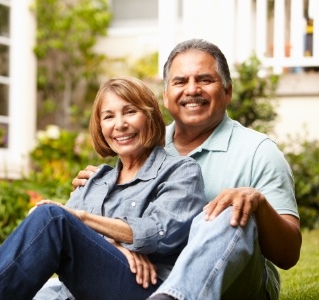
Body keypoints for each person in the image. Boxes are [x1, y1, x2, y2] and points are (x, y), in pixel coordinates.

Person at [73, 39, 302, 300]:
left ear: (228, 91)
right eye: (180, 82)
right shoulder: (141, 144)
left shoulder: (258, 151)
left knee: (228, 208)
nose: (192, 90)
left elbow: (289, 255)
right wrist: (101, 189)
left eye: (205, 80)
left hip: (233, 286)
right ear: (166, 96)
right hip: (147, 278)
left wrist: (258, 205)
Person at [0, 76, 206, 300]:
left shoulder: (181, 171)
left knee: (53, 217)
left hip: (146, 287)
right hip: (84, 291)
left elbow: (159, 231)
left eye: (130, 112)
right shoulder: (96, 180)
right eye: (109, 116)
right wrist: (115, 247)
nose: (120, 125)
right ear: (100, 126)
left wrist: (84, 219)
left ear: (150, 117)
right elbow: (46, 231)